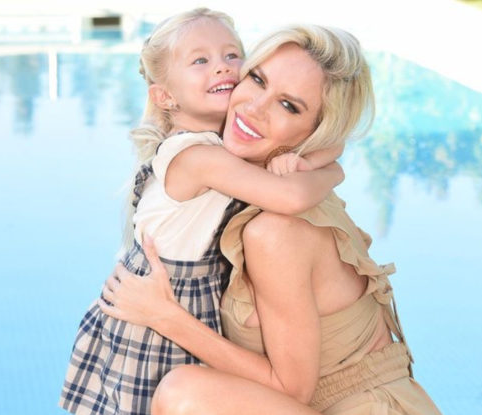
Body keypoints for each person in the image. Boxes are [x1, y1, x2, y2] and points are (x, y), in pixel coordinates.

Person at [100, 24, 443, 415]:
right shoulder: (274, 179)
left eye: (288, 106)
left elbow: (291, 390)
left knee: (184, 395)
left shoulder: (275, 231)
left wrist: (167, 317)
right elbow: (332, 149)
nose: (254, 108)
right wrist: (329, 166)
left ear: (315, 131)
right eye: (257, 80)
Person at [59, 8, 343, 415]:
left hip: (184, 301)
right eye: (200, 60)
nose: (222, 67)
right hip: (159, 310)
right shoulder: (197, 156)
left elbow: (332, 140)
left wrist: (310, 159)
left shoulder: (226, 145)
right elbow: (291, 197)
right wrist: (329, 171)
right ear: (165, 97)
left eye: (232, 55)